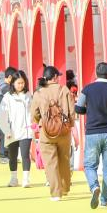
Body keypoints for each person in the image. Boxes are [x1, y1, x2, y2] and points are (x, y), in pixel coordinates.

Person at [77, 62, 107, 210]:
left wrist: (89, 111)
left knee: (90, 165)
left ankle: (94, 186)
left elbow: (78, 108)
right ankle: (105, 199)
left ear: (96, 73)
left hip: (92, 132)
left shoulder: (87, 89)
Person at [31, 66, 75, 201]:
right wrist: (70, 125)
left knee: (50, 163)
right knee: (65, 159)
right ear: (55, 77)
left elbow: (34, 113)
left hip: (47, 132)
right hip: (64, 131)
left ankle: (56, 193)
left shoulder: (39, 93)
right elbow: (72, 111)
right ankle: (65, 187)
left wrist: (41, 122)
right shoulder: (64, 90)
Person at [0, 71, 35, 188]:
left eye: (22, 83)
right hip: (12, 131)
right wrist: (6, 130)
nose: (21, 85)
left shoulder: (29, 95)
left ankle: (26, 179)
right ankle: (14, 178)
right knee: (12, 156)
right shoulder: (7, 97)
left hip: (26, 130)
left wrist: (33, 124)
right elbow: (2, 116)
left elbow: (34, 112)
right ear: (13, 83)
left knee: (25, 155)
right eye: (18, 83)